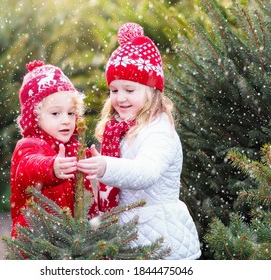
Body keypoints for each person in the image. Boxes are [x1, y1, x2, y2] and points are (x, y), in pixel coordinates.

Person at [77, 23, 201, 259]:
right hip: (130, 234)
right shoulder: (119, 130)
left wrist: (105, 167)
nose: (120, 98)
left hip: (160, 241)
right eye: (114, 90)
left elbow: (147, 172)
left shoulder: (158, 130)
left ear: (151, 91)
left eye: (129, 90)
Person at [10, 60, 98, 237]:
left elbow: (87, 198)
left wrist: (99, 164)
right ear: (35, 117)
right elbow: (28, 167)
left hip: (72, 239)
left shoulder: (76, 149)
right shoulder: (29, 145)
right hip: (37, 239)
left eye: (71, 113)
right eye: (56, 113)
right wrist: (50, 167)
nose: (66, 120)